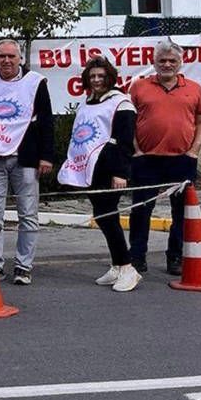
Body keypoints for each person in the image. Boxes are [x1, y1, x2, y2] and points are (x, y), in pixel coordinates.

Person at [0, 39, 54, 284]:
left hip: (25, 158)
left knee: (28, 214)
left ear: (20, 59)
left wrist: (46, 156)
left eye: (11, 56)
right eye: (1, 56)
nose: (6, 60)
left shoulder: (35, 82)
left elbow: (46, 120)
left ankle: (24, 266)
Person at [58, 56, 141, 292]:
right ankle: (117, 265)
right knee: (103, 216)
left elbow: (124, 141)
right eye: (92, 76)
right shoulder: (87, 102)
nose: (96, 80)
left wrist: (120, 173)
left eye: (101, 76)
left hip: (110, 169)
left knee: (108, 215)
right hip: (90, 169)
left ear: (110, 77)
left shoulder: (121, 103)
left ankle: (127, 268)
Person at [128, 40, 201, 276]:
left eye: (172, 60)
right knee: (141, 211)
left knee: (181, 213)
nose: (167, 64)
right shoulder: (138, 87)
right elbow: (128, 122)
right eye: (162, 60)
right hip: (146, 160)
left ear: (181, 63)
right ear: (153, 62)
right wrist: (136, 151)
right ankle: (137, 257)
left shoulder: (194, 88)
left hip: (182, 160)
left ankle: (175, 257)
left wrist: (194, 151)